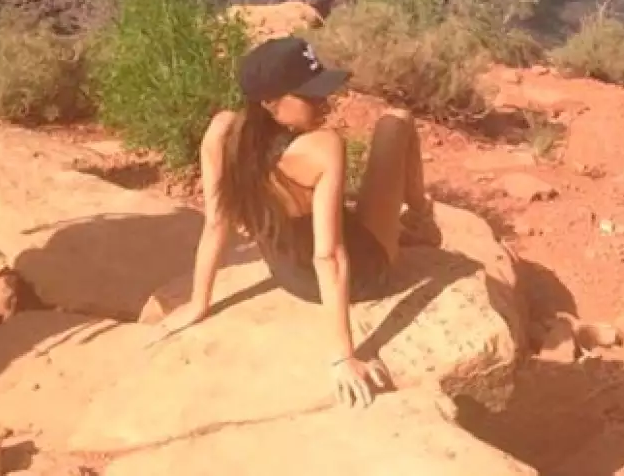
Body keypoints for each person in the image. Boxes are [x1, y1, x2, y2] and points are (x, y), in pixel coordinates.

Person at [160, 35, 442, 408]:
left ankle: (413, 218)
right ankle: (421, 217)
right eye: (309, 96)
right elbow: (330, 256)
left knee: (346, 203)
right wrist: (342, 356)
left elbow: (217, 224)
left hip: (290, 279)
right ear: (270, 102)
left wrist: (199, 302)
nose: (324, 103)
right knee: (396, 122)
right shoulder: (322, 148)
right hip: (365, 273)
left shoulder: (223, 133)